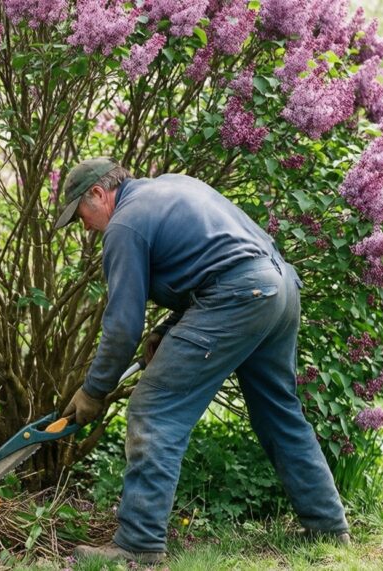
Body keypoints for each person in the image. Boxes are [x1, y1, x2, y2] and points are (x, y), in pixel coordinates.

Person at [56, 157, 350, 564]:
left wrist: (94, 391)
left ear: (98, 193)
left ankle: (137, 546)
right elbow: (212, 264)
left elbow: (122, 327)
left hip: (241, 294)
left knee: (154, 408)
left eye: (81, 216)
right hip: (278, 287)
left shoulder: (124, 224)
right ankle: (328, 527)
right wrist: (166, 330)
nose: (84, 227)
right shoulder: (172, 187)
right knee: (278, 410)